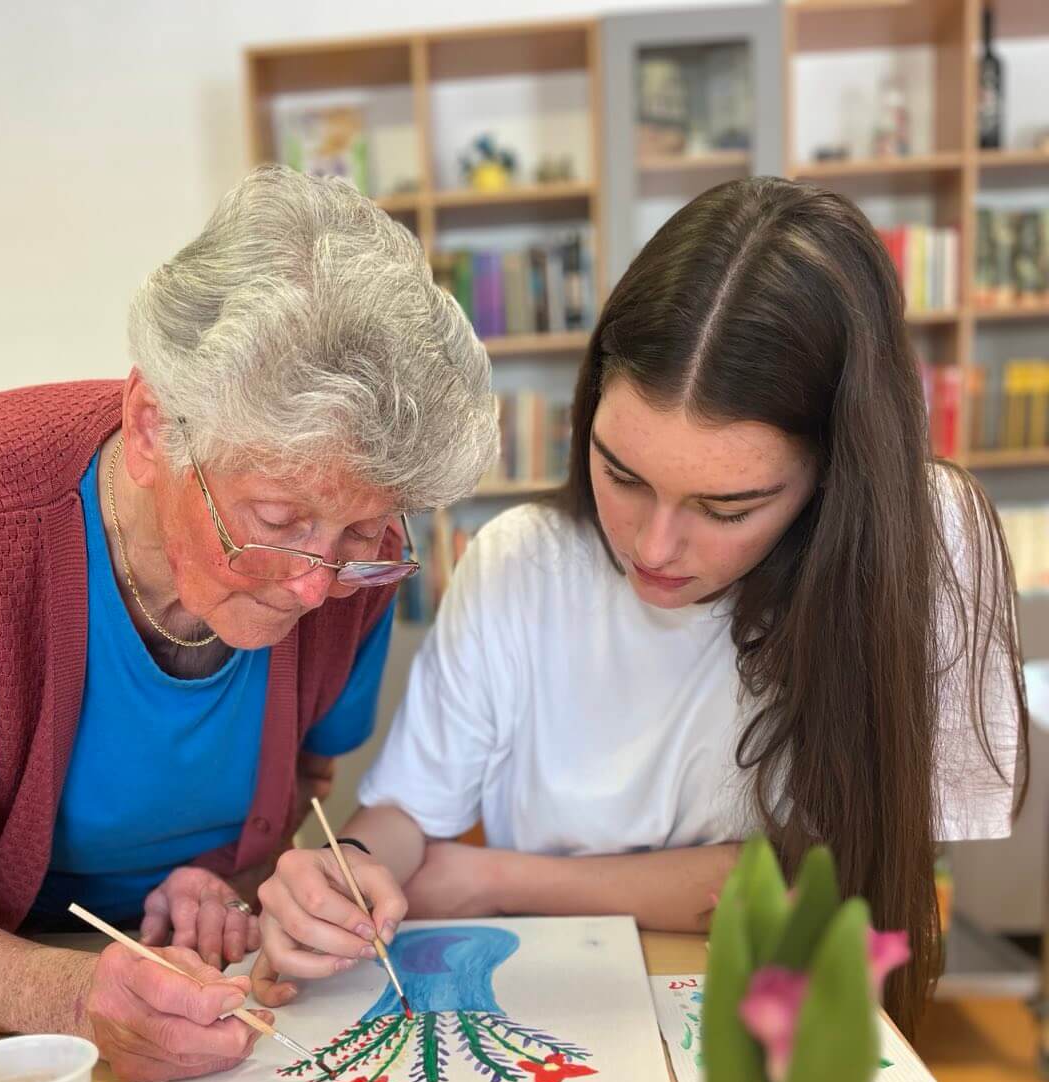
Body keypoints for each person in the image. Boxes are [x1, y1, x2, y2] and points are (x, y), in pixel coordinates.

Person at [251, 177, 1026, 1036]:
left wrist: (496, 879)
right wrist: (345, 868)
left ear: (832, 478)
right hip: (562, 1004)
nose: (652, 549)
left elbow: (833, 881)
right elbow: (406, 818)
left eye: (726, 509)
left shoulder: (926, 547)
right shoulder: (522, 559)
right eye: (621, 474)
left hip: (787, 1022)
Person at [0, 166, 497, 1081]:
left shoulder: (357, 555)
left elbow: (305, 782)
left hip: (198, 994)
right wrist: (74, 997)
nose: (318, 590)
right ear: (153, 425)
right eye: (277, 523)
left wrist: (232, 889)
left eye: (360, 534)